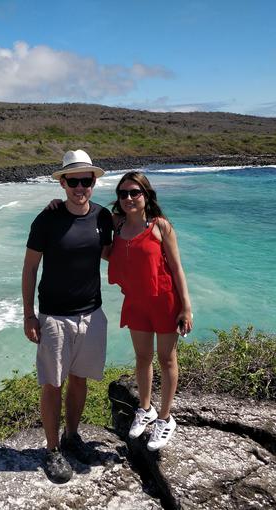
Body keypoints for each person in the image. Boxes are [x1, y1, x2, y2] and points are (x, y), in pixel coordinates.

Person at [22, 149, 113, 483]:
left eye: (85, 181)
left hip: (92, 314)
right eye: (73, 181)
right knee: (52, 384)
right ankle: (52, 449)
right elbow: (30, 267)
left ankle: (71, 436)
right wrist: (29, 315)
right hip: (54, 317)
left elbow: (114, 252)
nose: (80, 187)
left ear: (93, 182)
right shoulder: (47, 219)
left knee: (79, 379)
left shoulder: (103, 217)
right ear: (62, 183)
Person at [107, 171, 193, 451]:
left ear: (146, 195)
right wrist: (57, 205)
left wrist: (186, 308)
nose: (129, 198)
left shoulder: (160, 226)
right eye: (123, 194)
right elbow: (85, 215)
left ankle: (166, 419)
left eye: (135, 193)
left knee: (167, 359)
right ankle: (146, 409)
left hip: (165, 300)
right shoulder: (116, 224)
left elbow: (178, 268)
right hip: (135, 301)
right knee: (142, 358)